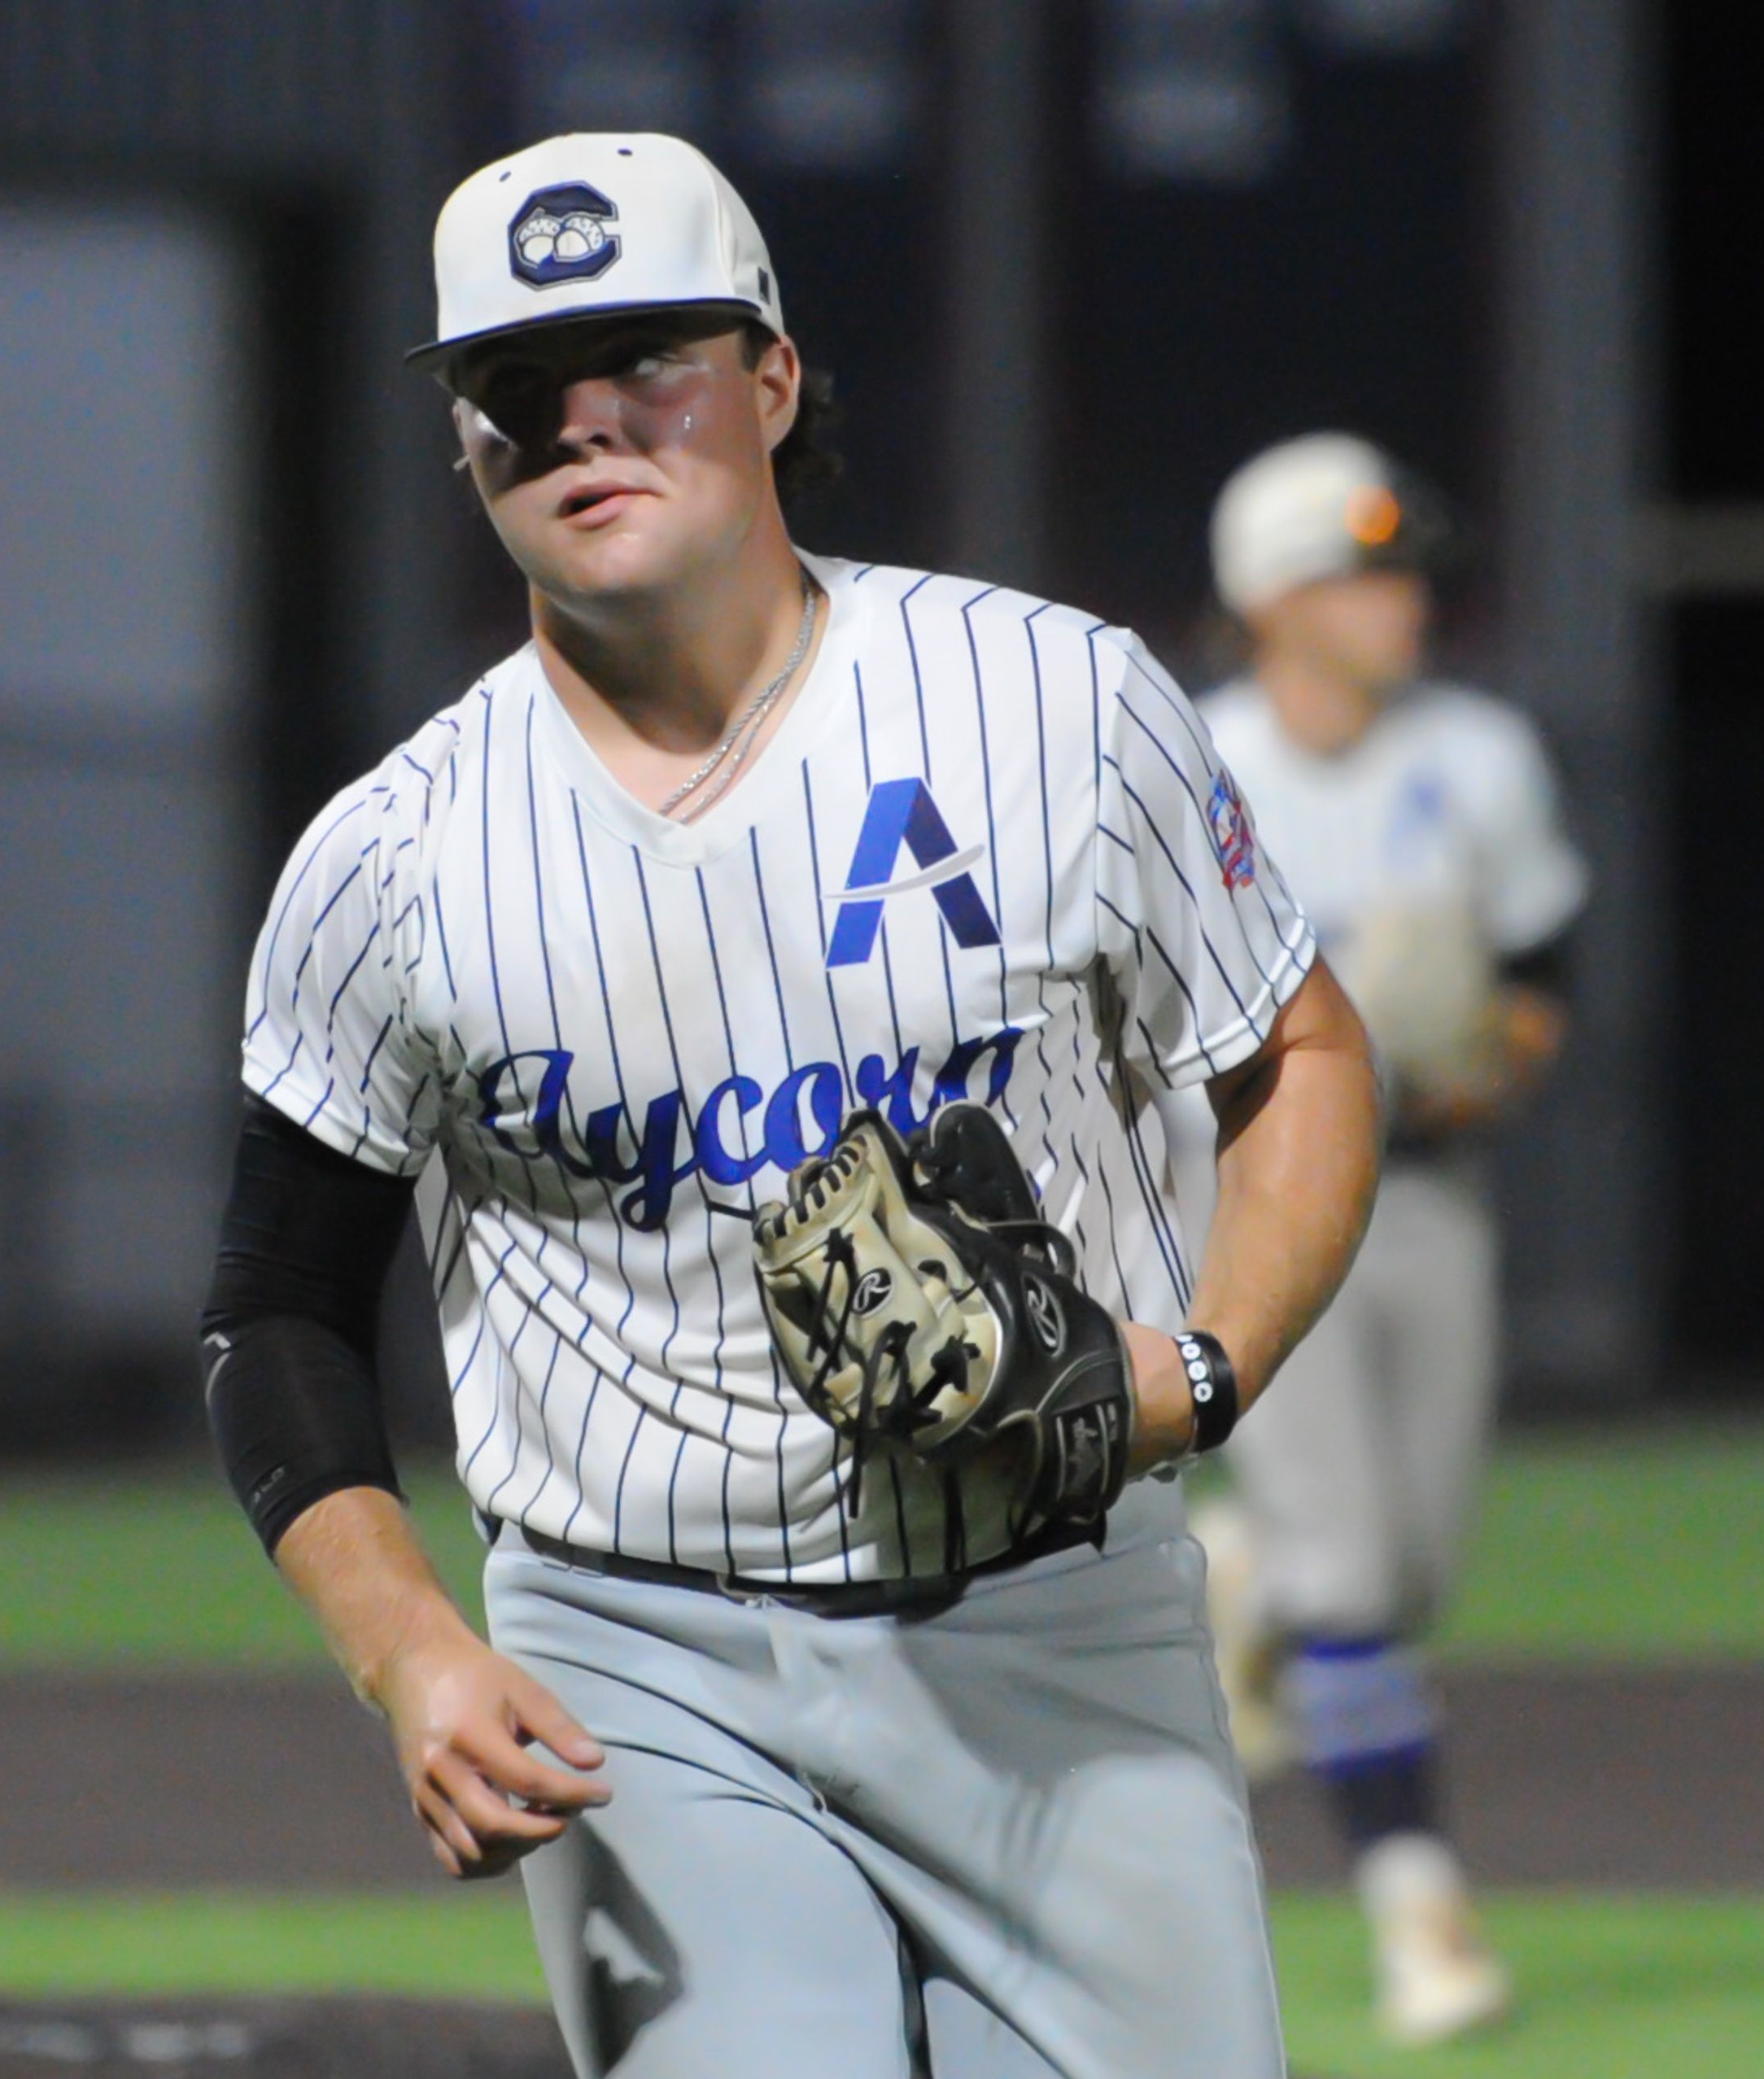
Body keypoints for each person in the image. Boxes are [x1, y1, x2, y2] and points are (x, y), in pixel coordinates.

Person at [196, 134, 1382, 2079]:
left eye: (642, 355)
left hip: (1057, 1627)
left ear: (771, 376)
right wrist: (410, 1648)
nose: (576, 417)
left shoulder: (1051, 707)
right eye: (508, 383)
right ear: (462, 441)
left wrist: (1201, 1373)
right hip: (639, 1667)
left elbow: (1300, 1054)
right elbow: (276, 1307)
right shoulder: (391, 858)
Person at [1181, 432, 1588, 2048]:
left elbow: (1546, 975)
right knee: (1358, 1582)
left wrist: (1491, 1056)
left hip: (1427, 1191)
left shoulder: (1479, 756)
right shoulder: (1189, 760)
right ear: (1274, 597)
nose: (1405, 597)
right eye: (1368, 568)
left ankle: (1243, 1575)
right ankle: (1425, 1914)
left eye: (1411, 566)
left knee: (1408, 1566)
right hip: (1254, 1193)